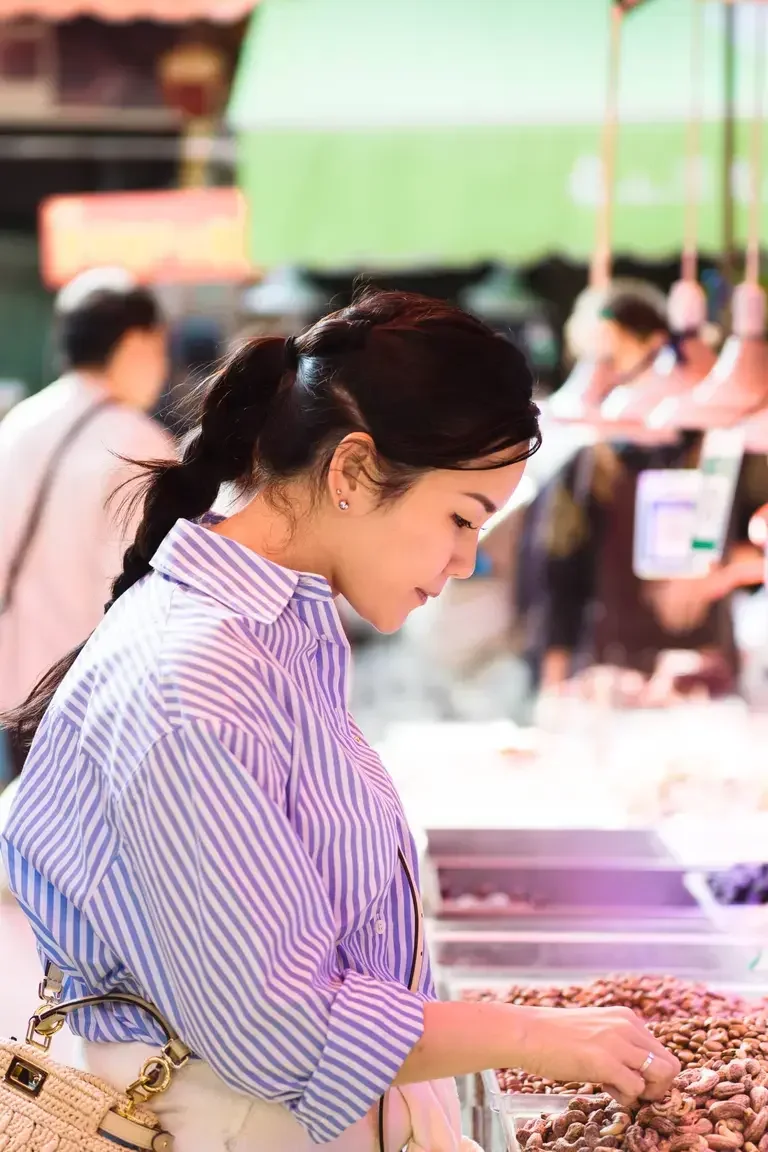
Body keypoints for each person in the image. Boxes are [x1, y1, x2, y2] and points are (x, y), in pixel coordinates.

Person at [1, 291, 678, 1152]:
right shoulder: (194, 679)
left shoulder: (282, 625)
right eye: (461, 517)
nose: (465, 560)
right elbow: (283, 1028)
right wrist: (542, 1038)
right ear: (353, 471)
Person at [518, 282, 768, 692]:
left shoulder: (730, 440)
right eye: (592, 360)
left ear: (658, 346)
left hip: (709, 677)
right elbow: (556, 578)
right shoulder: (590, 458)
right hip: (609, 680)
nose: (604, 376)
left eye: (614, 357)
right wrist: (554, 684)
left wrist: (715, 575)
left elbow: (761, 547)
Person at [0, 267, 176, 777]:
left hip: (19, 700)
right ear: (137, 343)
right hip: (98, 706)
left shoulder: (18, 425)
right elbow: (149, 594)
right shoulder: (136, 441)